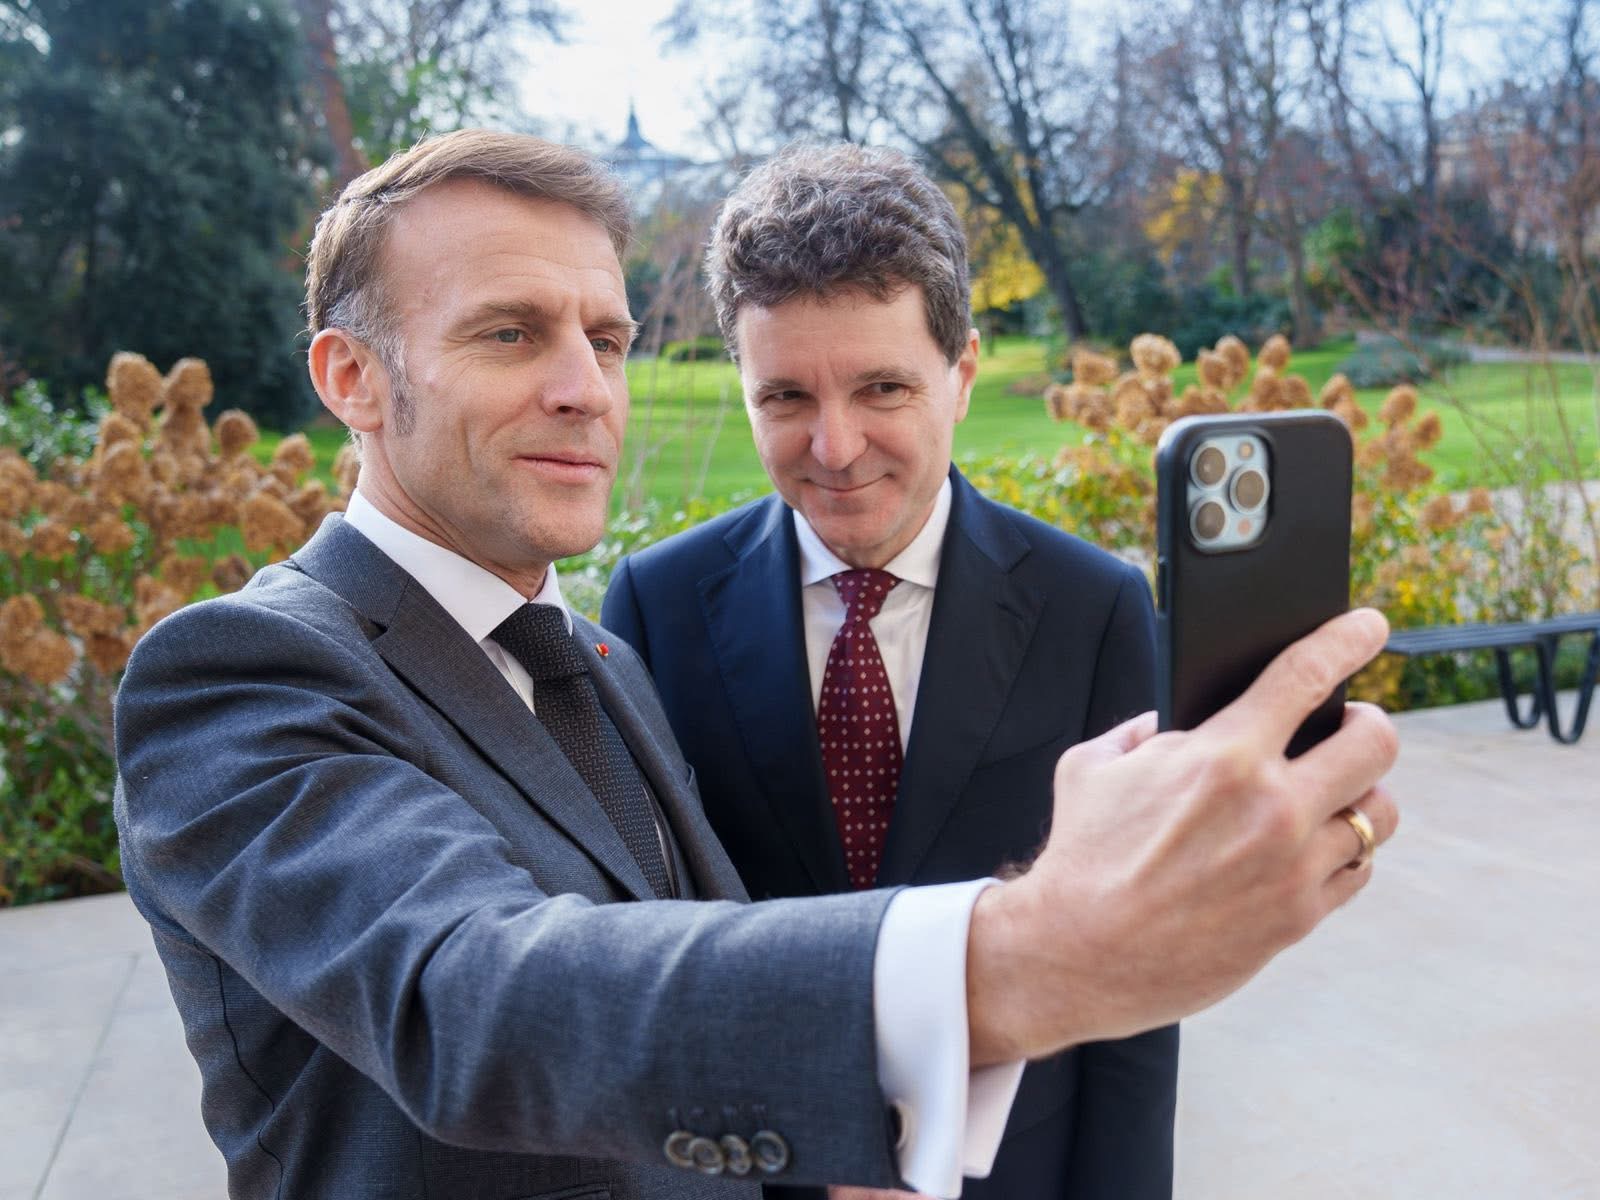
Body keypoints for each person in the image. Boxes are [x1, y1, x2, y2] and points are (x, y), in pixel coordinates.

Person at [113, 130, 1400, 1200]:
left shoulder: (592, 657)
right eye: (508, 333)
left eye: (606, 339)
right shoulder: (239, 673)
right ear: (351, 377)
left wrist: (848, 1140)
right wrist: (1042, 948)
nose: (585, 389)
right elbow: (479, 997)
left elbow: (687, 976)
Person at [602, 142, 1177, 1200]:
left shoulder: (1092, 608)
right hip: (761, 1172)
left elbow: (1133, 974)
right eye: (785, 396)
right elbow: (649, 947)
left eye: (882, 387)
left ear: (961, 377)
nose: (834, 447)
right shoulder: (656, 605)